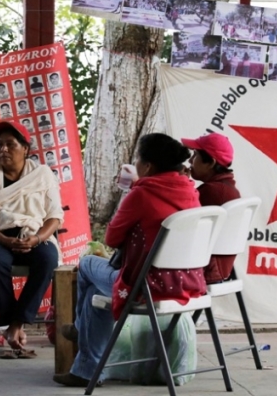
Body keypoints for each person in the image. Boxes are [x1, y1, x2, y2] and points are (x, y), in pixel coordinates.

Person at [54, 133, 205, 387]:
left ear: (147, 166)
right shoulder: (190, 192)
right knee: (93, 292)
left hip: (145, 286)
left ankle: (80, 334)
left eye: (138, 159)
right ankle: (83, 371)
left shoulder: (142, 194)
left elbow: (112, 238)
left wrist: (132, 189)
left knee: (88, 263)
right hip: (184, 282)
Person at [0, 121, 63, 353]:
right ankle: (13, 324)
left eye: (10, 144)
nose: (3, 150)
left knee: (48, 260)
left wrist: (37, 239)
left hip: (34, 235)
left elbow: (54, 217)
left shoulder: (42, 175)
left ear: (25, 149)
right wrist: (4, 240)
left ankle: (15, 324)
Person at [181, 133, 241, 283]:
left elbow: (177, 225)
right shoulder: (228, 189)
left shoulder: (212, 192)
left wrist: (180, 183)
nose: (189, 161)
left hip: (201, 270)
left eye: (195, 155)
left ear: (211, 163)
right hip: (215, 269)